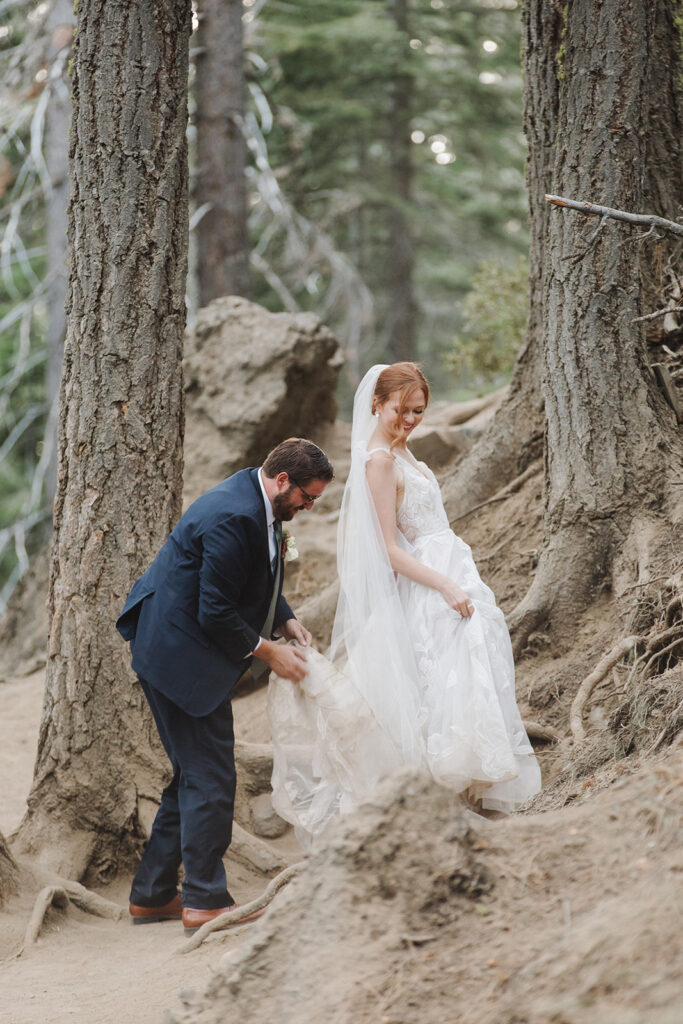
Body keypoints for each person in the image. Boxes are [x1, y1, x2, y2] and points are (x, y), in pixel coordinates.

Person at [269, 364, 540, 845]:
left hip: (449, 569)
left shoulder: (402, 450)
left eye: (419, 411)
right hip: (429, 583)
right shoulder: (377, 461)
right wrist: (444, 585)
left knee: (467, 674)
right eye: (402, 410)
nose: (411, 419)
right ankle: (442, 801)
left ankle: (470, 796)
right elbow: (389, 551)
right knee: (441, 684)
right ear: (377, 403)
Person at [116, 438, 333, 932]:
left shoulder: (257, 499)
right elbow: (215, 611)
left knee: (192, 775)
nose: (309, 506)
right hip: (179, 656)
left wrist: (286, 621)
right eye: (308, 497)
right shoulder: (234, 515)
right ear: (283, 482)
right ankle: (205, 900)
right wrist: (269, 651)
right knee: (213, 778)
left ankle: (152, 895)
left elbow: (254, 576)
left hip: (180, 647)